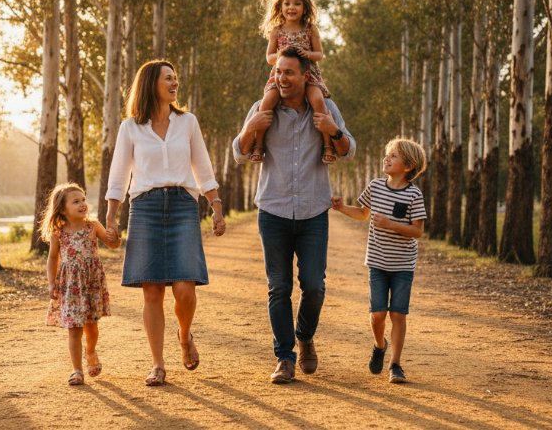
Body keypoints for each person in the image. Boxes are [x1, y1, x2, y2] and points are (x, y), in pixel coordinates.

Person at [232, 47, 356, 384]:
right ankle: (284, 357)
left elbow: (348, 149)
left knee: (314, 286)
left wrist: (333, 130)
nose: (282, 78)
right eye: (278, 72)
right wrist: (250, 128)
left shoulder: (325, 108)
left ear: (306, 76)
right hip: (273, 210)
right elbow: (240, 154)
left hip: (314, 211)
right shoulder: (262, 109)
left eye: (289, 72)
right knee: (279, 287)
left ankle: (305, 336)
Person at [105, 59, 226, 387]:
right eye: (168, 79)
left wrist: (215, 204)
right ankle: (158, 363)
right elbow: (119, 174)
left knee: (185, 288)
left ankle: (184, 335)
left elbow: (202, 166)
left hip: (183, 207)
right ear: (150, 84)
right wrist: (112, 216)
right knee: (153, 290)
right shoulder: (130, 127)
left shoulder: (187, 122)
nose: (174, 84)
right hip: (144, 208)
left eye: (176, 79)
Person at [331, 138, 427, 383]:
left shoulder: (414, 194)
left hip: (403, 264)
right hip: (377, 262)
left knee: (398, 314)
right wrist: (342, 208)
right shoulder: (375, 186)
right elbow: (363, 213)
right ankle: (379, 345)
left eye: (393, 156)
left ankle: (395, 364)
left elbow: (417, 231)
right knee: (377, 315)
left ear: (408, 166)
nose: (387, 158)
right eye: (387, 154)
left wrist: (391, 224)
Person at [250, 0, 336, 165]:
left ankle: (328, 146)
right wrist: (282, 54)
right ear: (280, 6)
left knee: (319, 101)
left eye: (297, 3)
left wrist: (307, 54)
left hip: (308, 74)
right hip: (281, 75)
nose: (291, 7)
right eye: (287, 3)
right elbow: (269, 57)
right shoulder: (277, 31)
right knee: (266, 102)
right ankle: (258, 146)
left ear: (305, 7)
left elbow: (319, 54)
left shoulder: (310, 29)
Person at [43, 183, 120, 386]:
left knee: (91, 326)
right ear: (62, 209)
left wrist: (115, 235)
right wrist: (52, 283)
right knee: (74, 328)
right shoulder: (58, 233)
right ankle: (77, 370)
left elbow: (112, 244)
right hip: (70, 285)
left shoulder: (93, 226)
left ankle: (91, 350)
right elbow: (52, 258)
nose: (82, 204)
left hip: (91, 283)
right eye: (75, 201)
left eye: (83, 200)